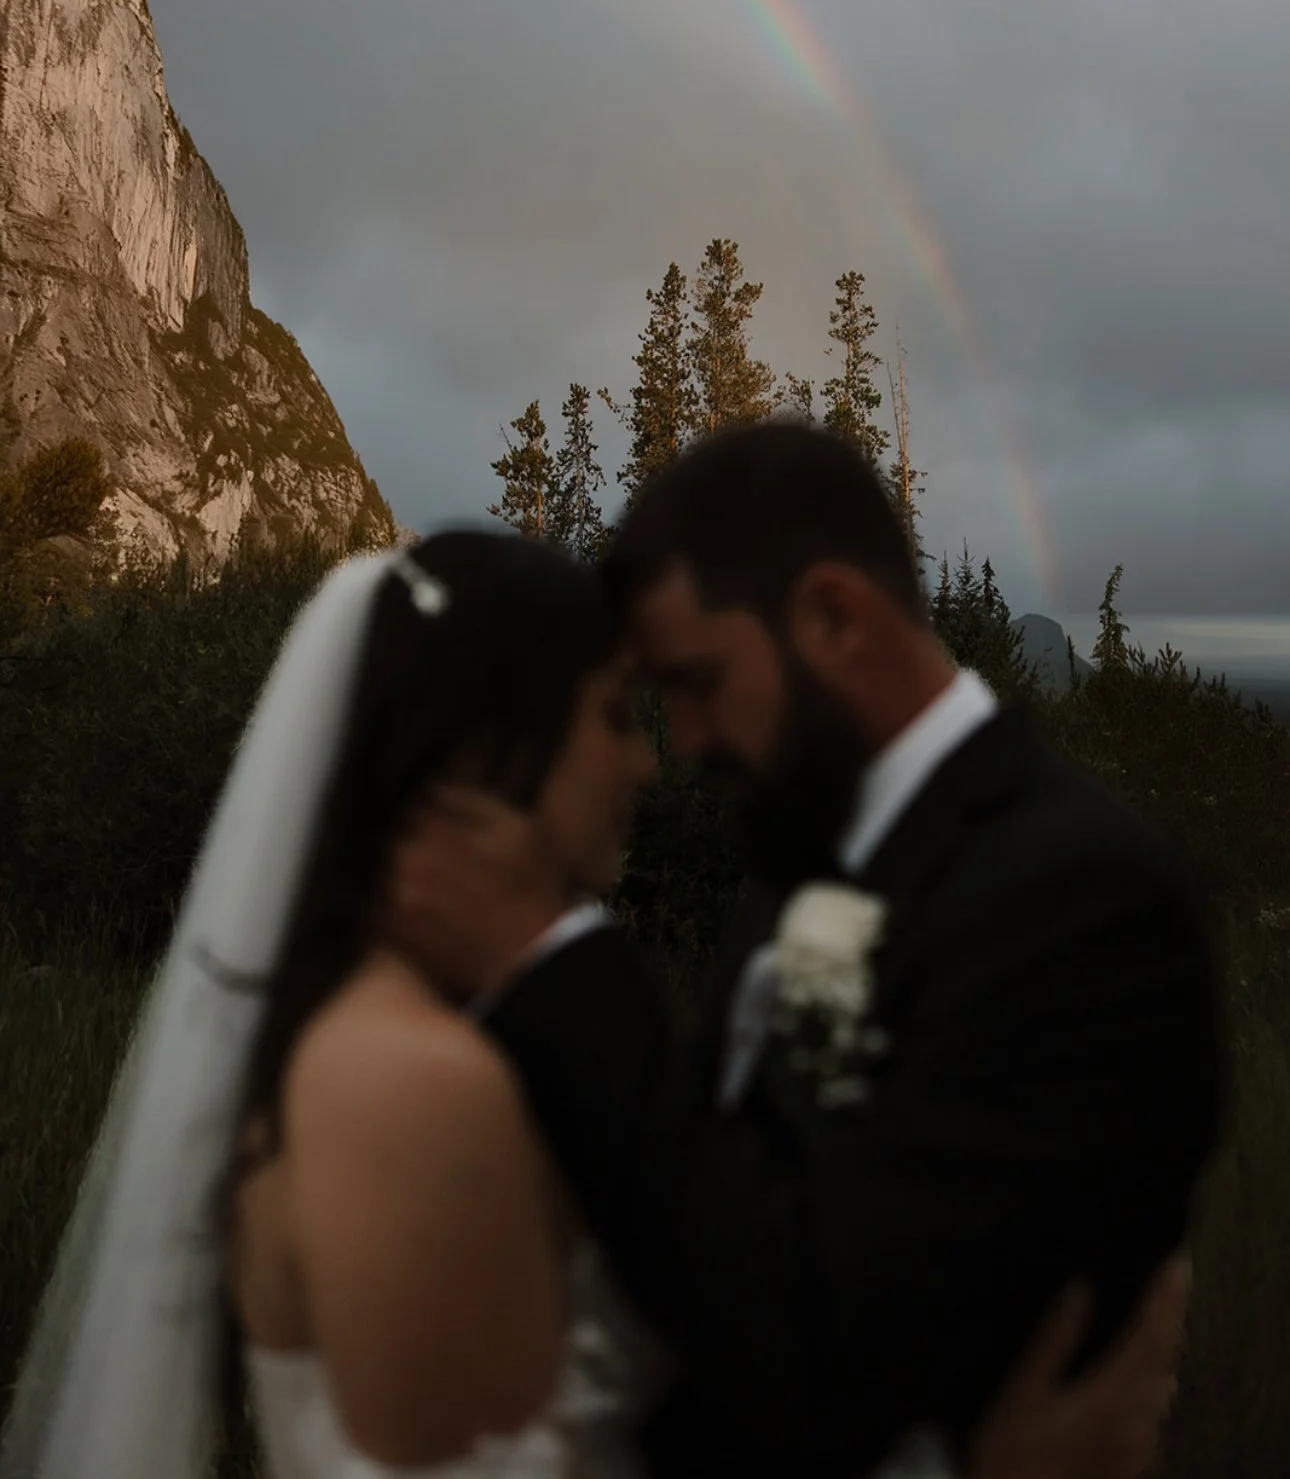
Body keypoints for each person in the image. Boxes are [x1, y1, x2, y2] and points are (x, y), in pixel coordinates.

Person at [0, 526, 1195, 1479]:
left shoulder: (376, 1034)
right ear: (487, 751)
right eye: (615, 714)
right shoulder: (416, 1078)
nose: (647, 761)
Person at [380, 419, 1226, 1479]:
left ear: (835, 613)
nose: (682, 739)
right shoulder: (796, 854)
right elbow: (722, 1212)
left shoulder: (1084, 896)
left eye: (697, 680)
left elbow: (821, 1353)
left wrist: (546, 955)